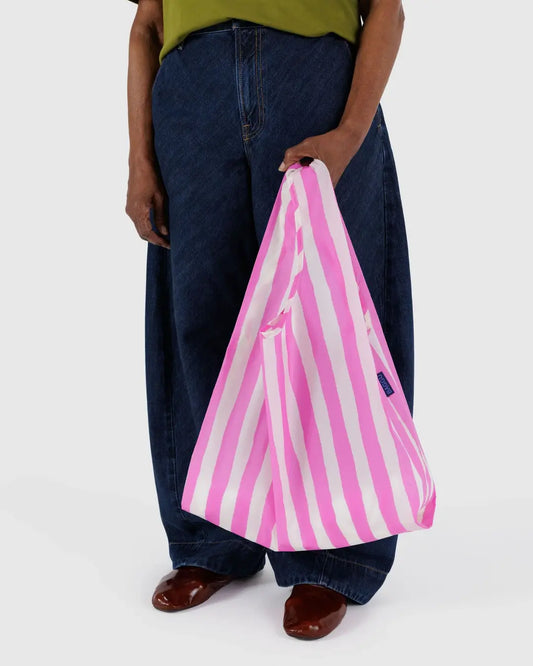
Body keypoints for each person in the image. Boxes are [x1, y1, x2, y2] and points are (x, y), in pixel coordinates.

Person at [125, 0, 412, 640]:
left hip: (314, 84)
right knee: (200, 317)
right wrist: (140, 159)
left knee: (328, 322)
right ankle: (212, 536)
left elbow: (387, 9)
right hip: (191, 93)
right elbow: (146, 24)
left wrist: (350, 131)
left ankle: (333, 554)